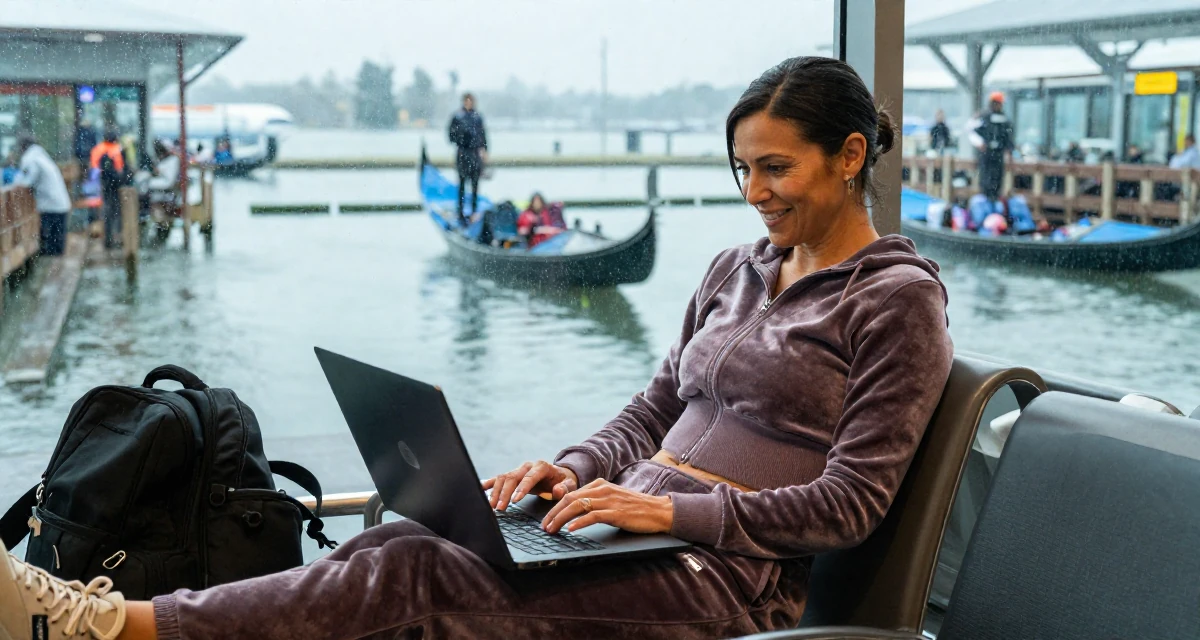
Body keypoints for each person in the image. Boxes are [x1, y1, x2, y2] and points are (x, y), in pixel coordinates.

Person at [0, 56, 955, 640]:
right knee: (403, 535)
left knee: (412, 579)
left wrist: (674, 515)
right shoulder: (735, 269)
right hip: (612, 536)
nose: (756, 191)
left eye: (777, 167)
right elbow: (657, 407)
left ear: (851, 155)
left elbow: (853, 506)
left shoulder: (896, 302)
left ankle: (98, 626)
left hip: (727, 586)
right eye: (743, 168)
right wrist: (573, 467)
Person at [12, 133, 72, 256]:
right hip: (56, 201)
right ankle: (54, 256)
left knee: (50, 234)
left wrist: (19, 184)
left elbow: (29, 179)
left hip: (51, 202)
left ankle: (51, 258)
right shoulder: (40, 156)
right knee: (57, 235)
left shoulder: (32, 159)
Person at [448, 92, 488, 223]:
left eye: (471, 101)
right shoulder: (457, 117)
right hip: (463, 154)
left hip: (475, 154)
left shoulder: (477, 117)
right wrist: (461, 137)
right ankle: (460, 212)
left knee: (475, 184)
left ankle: (474, 212)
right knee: (462, 184)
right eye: (467, 101)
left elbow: (483, 135)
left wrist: (485, 151)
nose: (469, 103)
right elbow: (450, 135)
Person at [967, 92, 1014, 202]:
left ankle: (995, 199)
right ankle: (986, 198)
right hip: (986, 153)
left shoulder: (1004, 119)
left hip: (998, 154)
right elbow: (970, 129)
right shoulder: (983, 116)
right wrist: (979, 143)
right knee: (985, 179)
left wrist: (1009, 151)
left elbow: (1008, 136)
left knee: (997, 179)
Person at [92, 130, 129, 249]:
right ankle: (117, 237)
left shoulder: (98, 149)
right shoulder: (118, 149)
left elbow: (94, 167)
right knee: (116, 211)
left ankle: (108, 240)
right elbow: (123, 169)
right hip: (116, 185)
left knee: (106, 212)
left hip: (102, 184)